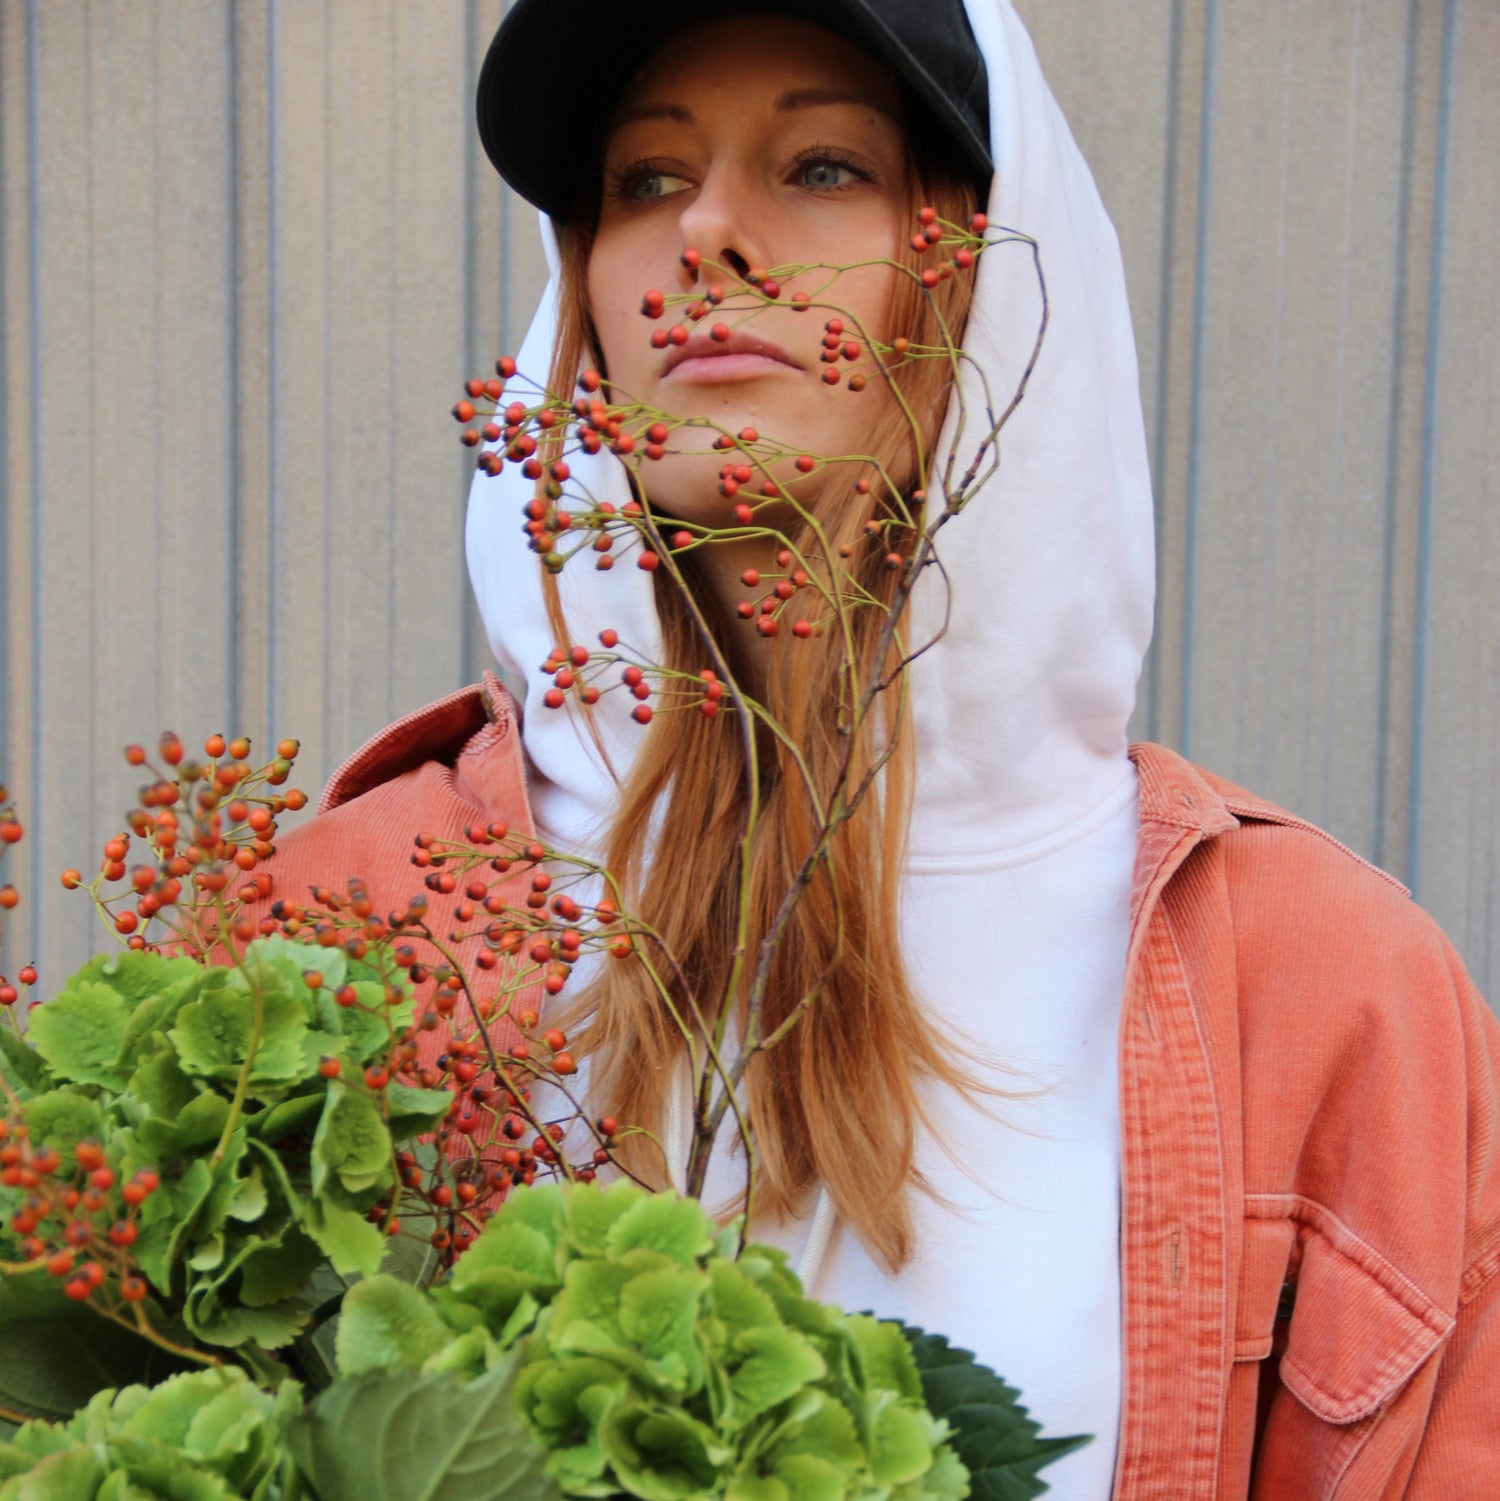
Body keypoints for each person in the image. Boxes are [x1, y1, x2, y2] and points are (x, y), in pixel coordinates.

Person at [254, 1, 1500, 1495]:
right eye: (645, 179)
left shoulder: (1329, 997)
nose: (707, 230)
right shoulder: (352, 926)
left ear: (985, 257)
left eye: (823, 165)